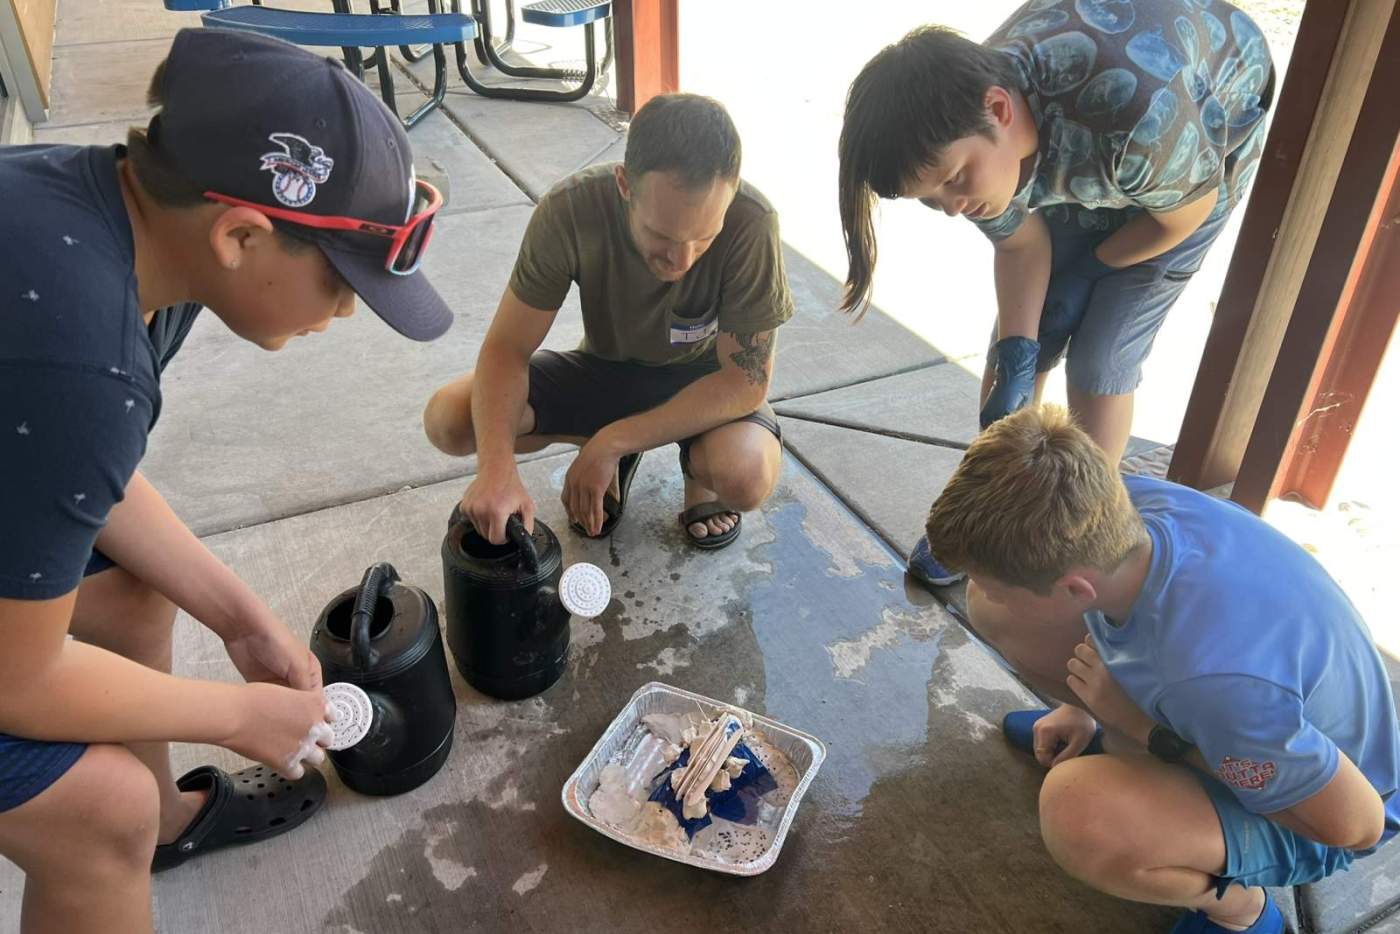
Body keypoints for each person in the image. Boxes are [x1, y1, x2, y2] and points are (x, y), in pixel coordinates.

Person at [0, 28, 452, 932]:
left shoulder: (120, 232)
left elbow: (81, 476)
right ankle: (134, 832)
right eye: (339, 278)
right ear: (241, 234)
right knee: (99, 813)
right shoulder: (85, 354)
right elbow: (18, 680)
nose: (348, 309)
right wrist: (239, 717)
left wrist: (243, 623)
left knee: (134, 593)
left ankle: (169, 827)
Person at [838, 1, 1275, 586]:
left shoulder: (1138, 121)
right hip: (1081, 143)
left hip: (1191, 149)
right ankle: (987, 519)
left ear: (998, 110)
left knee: (1102, 355)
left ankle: (1080, 530)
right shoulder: (967, 154)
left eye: (952, 183)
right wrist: (1018, 350)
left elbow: (1179, 218)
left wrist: (1091, 268)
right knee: (1027, 340)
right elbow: (1022, 247)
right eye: (929, 199)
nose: (951, 208)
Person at [923, 405, 1400, 934]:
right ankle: (1113, 742)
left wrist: (1143, 730)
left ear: (1074, 590)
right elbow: (1110, 621)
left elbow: (1356, 826)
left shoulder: (1217, 682)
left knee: (1078, 812)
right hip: (1238, 721)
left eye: (997, 580)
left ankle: (1240, 912)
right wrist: (1079, 708)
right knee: (991, 610)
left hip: (1318, 805)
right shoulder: (1124, 509)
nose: (985, 590)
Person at [424, 93, 793, 551]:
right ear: (624, 185)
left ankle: (697, 475)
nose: (683, 259)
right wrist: (496, 472)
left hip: (705, 385)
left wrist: (611, 442)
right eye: (661, 234)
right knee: (450, 419)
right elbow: (507, 350)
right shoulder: (568, 210)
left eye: (704, 237)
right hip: (606, 370)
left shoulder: (753, 223)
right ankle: (610, 447)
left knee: (746, 473)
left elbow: (743, 382)